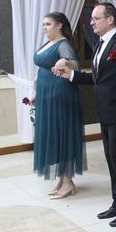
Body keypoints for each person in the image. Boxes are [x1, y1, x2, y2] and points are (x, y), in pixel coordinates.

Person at [55, 2, 116, 227]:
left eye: (96, 18)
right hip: (105, 110)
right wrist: (70, 75)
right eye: (92, 18)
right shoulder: (100, 44)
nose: (91, 22)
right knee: (111, 159)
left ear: (110, 19)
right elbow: (98, 78)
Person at [32, 12, 86, 198]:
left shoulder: (63, 44)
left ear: (59, 25)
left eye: (48, 24)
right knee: (55, 135)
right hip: (47, 95)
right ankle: (63, 180)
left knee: (63, 136)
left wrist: (66, 61)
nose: (45, 28)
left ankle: (68, 181)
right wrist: (36, 93)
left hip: (60, 95)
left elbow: (75, 65)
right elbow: (42, 70)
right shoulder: (48, 43)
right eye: (44, 24)